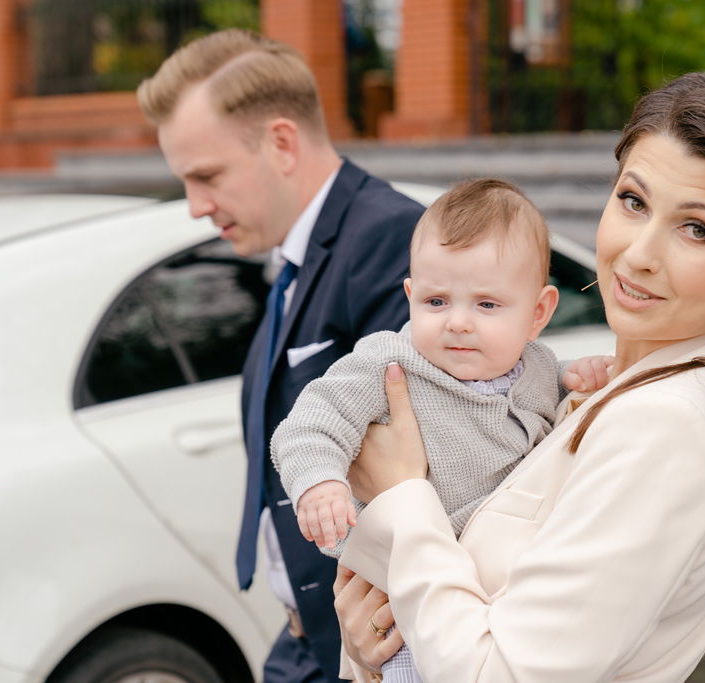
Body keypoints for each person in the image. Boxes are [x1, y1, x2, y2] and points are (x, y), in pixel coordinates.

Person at [331, 72, 705, 682]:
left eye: (697, 228)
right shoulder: (622, 384)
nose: (639, 252)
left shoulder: (671, 424)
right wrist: (373, 630)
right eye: (633, 201)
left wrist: (403, 497)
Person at [136, 29, 425, 682]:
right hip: (304, 637)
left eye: (207, 176)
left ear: (282, 142)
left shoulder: (388, 237)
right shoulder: (294, 251)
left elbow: (412, 462)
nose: (195, 206)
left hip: (364, 648)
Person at [271, 179, 571, 683]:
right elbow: (308, 425)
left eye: (487, 305)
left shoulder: (542, 370)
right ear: (410, 295)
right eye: (436, 301)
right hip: (406, 598)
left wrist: (583, 377)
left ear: (537, 313)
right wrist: (320, 482)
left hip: (499, 601)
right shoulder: (388, 362)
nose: (457, 322)